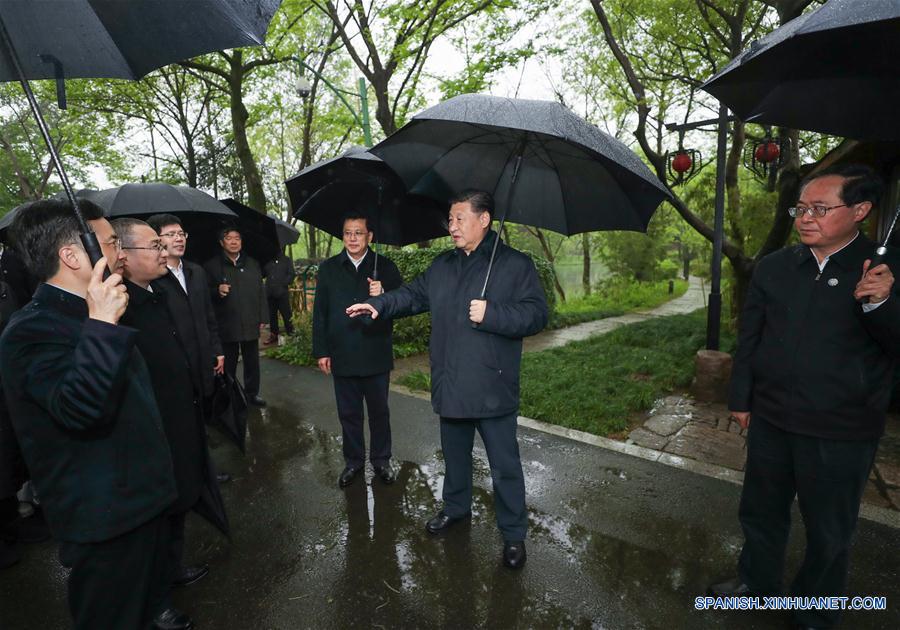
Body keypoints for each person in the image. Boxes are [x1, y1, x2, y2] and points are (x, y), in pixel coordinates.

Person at [708, 164, 900, 629]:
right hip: (772, 418)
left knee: (829, 528)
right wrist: (741, 397)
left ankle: (815, 608)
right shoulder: (776, 266)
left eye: (819, 208)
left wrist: (881, 303)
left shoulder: (885, 269)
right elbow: (749, 338)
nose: (804, 218)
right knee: (760, 510)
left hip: (842, 427)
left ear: (860, 211)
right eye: (801, 208)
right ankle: (756, 583)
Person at [0, 199, 188, 629]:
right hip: (106, 522)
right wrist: (101, 326)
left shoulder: (99, 308)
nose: (120, 252)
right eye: (107, 242)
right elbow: (79, 408)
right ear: (72, 255)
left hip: (146, 504)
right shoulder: (31, 331)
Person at [347, 190, 548, 569]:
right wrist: (378, 305)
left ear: (484, 219)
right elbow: (411, 296)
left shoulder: (515, 264)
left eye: (459, 218)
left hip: (493, 386)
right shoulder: (442, 265)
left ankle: (513, 534)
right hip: (451, 382)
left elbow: (537, 315)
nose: (451, 226)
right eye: (450, 220)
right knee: (454, 459)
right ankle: (456, 509)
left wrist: (494, 313)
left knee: (504, 467)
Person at [114, 217, 222, 596]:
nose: (164, 251)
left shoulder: (154, 294)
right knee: (156, 513)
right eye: (155, 246)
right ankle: (153, 597)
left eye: (165, 244)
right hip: (152, 427)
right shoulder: (118, 309)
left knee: (177, 501)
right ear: (123, 256)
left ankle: (171, 568)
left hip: (179, 414)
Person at [313, 213, 403, 488]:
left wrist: (384, 293)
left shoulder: (385, 267)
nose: (352, 238)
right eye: (348, 233)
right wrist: (321, 351)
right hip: (343, 353)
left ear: (370, 236)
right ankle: (353, 461)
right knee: (349, 414)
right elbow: (321, 313)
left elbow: (402, 304)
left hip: (375, 352)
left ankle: (381, 460)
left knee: (379, 412)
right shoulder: (328, 268)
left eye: (358, 233)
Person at [204, 228, 267, 407]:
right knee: (228, 362)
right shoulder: (211, 266)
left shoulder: (253, 264)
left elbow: (261, 291)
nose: (233, 241)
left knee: (252, 361)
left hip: (250, 319)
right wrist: (217, 291)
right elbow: (203, 295)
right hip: (226, 322)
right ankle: (230, 396)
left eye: (237, 238)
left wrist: (263, 316)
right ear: (221, 242)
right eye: (228, 238)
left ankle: (252, 394)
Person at [263, 248, 296, 345]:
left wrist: (283, 284)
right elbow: (263, 274)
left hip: (282, 293)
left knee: (286, 314)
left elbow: (291, 274)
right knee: (272, 315)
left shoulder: (286, 260)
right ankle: (273, 335)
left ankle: (291, 334)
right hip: (270, 293)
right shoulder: (267, 261)